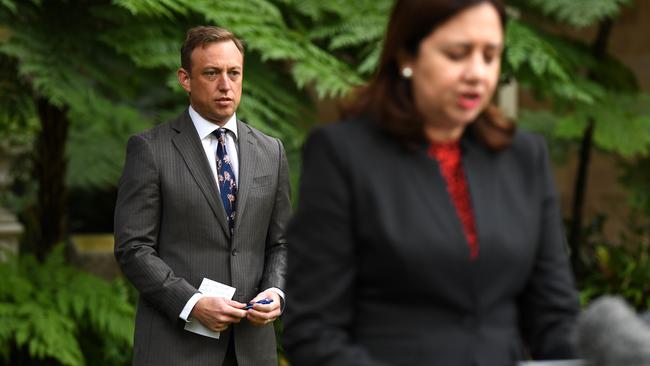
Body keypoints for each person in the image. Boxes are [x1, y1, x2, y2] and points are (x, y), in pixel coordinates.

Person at [282, 1, 580, 365]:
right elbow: (313, 331)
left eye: (490, 56)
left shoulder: (524, 157)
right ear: (407, 55)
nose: (478, 73)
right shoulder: (342, 155)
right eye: (458, 54)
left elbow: (554, 319)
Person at [114, 26, 291, 366]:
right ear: (185, 78)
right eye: (212, 73)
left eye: (233, 73)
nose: (225, 85)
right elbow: (133, 247)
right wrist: (191, 304)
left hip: (252, 350)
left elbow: (281, 242)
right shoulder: (150, 150)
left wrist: (276, 290)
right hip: (175, 347)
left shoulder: (272, 151)